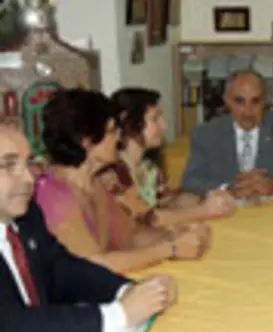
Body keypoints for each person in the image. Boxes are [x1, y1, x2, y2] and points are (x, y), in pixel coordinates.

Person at [0, 124, 178, 332]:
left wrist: (128, 290)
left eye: (29, 163)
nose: (28, 178)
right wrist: (117, 315)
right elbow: (11, 328)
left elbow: (62, 270)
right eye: (8, 166)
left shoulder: (27, 218)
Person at [35, 89, 209, 273]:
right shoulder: (55, 195)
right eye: (111, 131)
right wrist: (170, 249)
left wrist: (177, 237)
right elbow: (91, 266)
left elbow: (131, 234)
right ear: (87, 141)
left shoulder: (94, 184)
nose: (118, 137)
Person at [101, 87, 236, 227]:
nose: (164, 126)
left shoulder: (149, 168)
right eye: (155, 119)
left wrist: (204, 197)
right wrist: (204, 210)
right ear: (128, 122)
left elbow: (165, 200)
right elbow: (148, 218)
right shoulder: (112, 174)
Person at [180, 69, 273, 202]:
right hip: (224, 211)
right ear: (227, 101)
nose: (248, 112)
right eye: (239, 102)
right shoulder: (206, 133)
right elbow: (191, 182)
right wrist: (228, 190)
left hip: (272, 211)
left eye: (255, 102)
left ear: (265, 101)